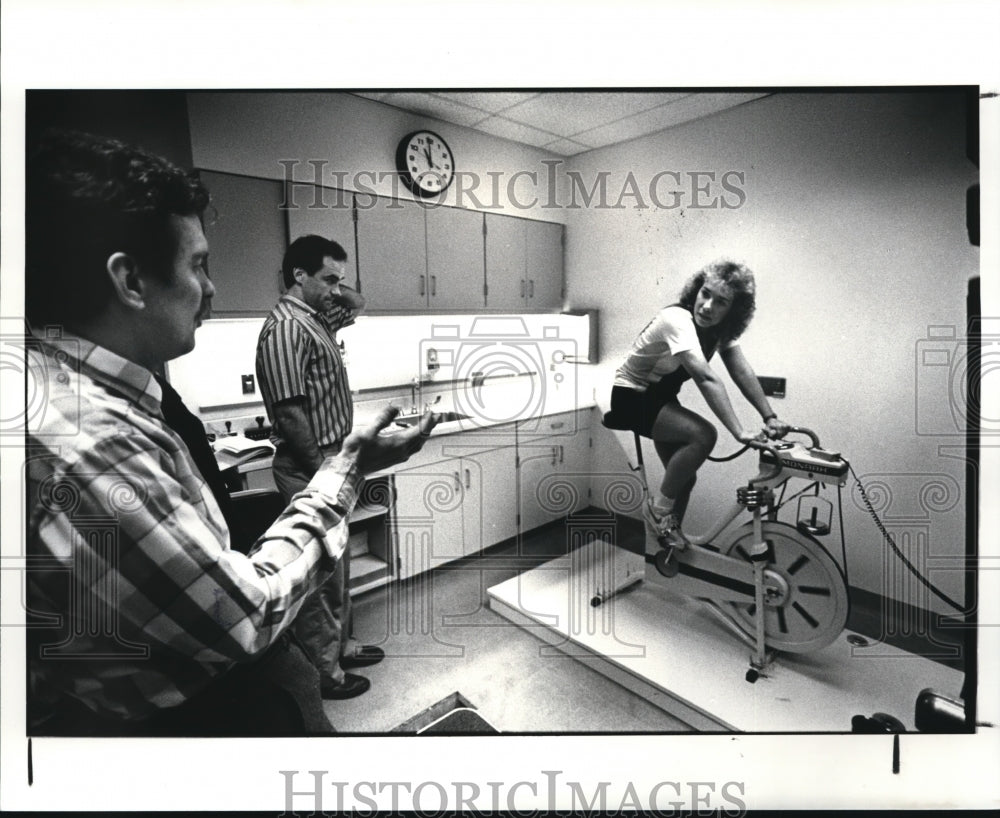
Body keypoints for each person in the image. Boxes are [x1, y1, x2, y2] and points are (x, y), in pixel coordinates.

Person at [23, 129, 438, 736]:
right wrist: (344, 463)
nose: (211, 286)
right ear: (130, 281)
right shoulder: (96, 446)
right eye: (198, 264)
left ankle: (335, 652)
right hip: (189, 709)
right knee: (315, 598)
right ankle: (330, 665)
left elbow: (354, 312)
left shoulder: (60, 385)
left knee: (329, 585)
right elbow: (242, 616)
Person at [255, 235, 379, 700]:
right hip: (310, 464)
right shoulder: (287, 328)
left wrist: (332, 285)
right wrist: (326, 474)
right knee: (319, 578)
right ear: (297, 277)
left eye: (338, 280)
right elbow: (290, 413)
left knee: (337, 568)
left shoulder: (316, 319)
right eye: (327, 278)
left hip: (329, 460)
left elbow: (359, 302)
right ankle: (327, 674)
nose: (336, 291)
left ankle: (341, 648)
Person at [609, 259, 790, 549]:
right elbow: (705, 377)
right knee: (704, 435)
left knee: (685, 480)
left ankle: (668, 537)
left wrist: (769, 416)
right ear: (696, 289)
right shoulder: (676, 320)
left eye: (721, 302)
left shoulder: (719, 332)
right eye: (705, 293)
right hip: (632, 395)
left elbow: (740, 370)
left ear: (732, 310)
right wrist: (739, 432)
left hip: (660, 397)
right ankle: (657, 512)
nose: (707, 306)